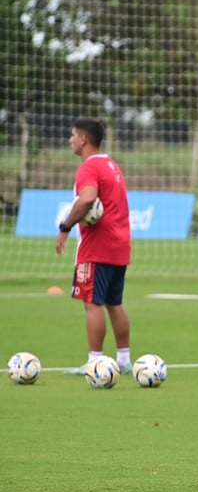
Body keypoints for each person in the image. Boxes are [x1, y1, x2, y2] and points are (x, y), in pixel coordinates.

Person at [56, 118, 133, 376]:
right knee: (115, 302)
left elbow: (87, 199)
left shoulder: (88, 168)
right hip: (120, 246)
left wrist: (65, 226)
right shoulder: (111, 164)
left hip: (97, 247)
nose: (70, 140)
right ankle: (124, 360)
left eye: (72, 135)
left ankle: (95, 362)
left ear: (83, 139)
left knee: (92, 303)